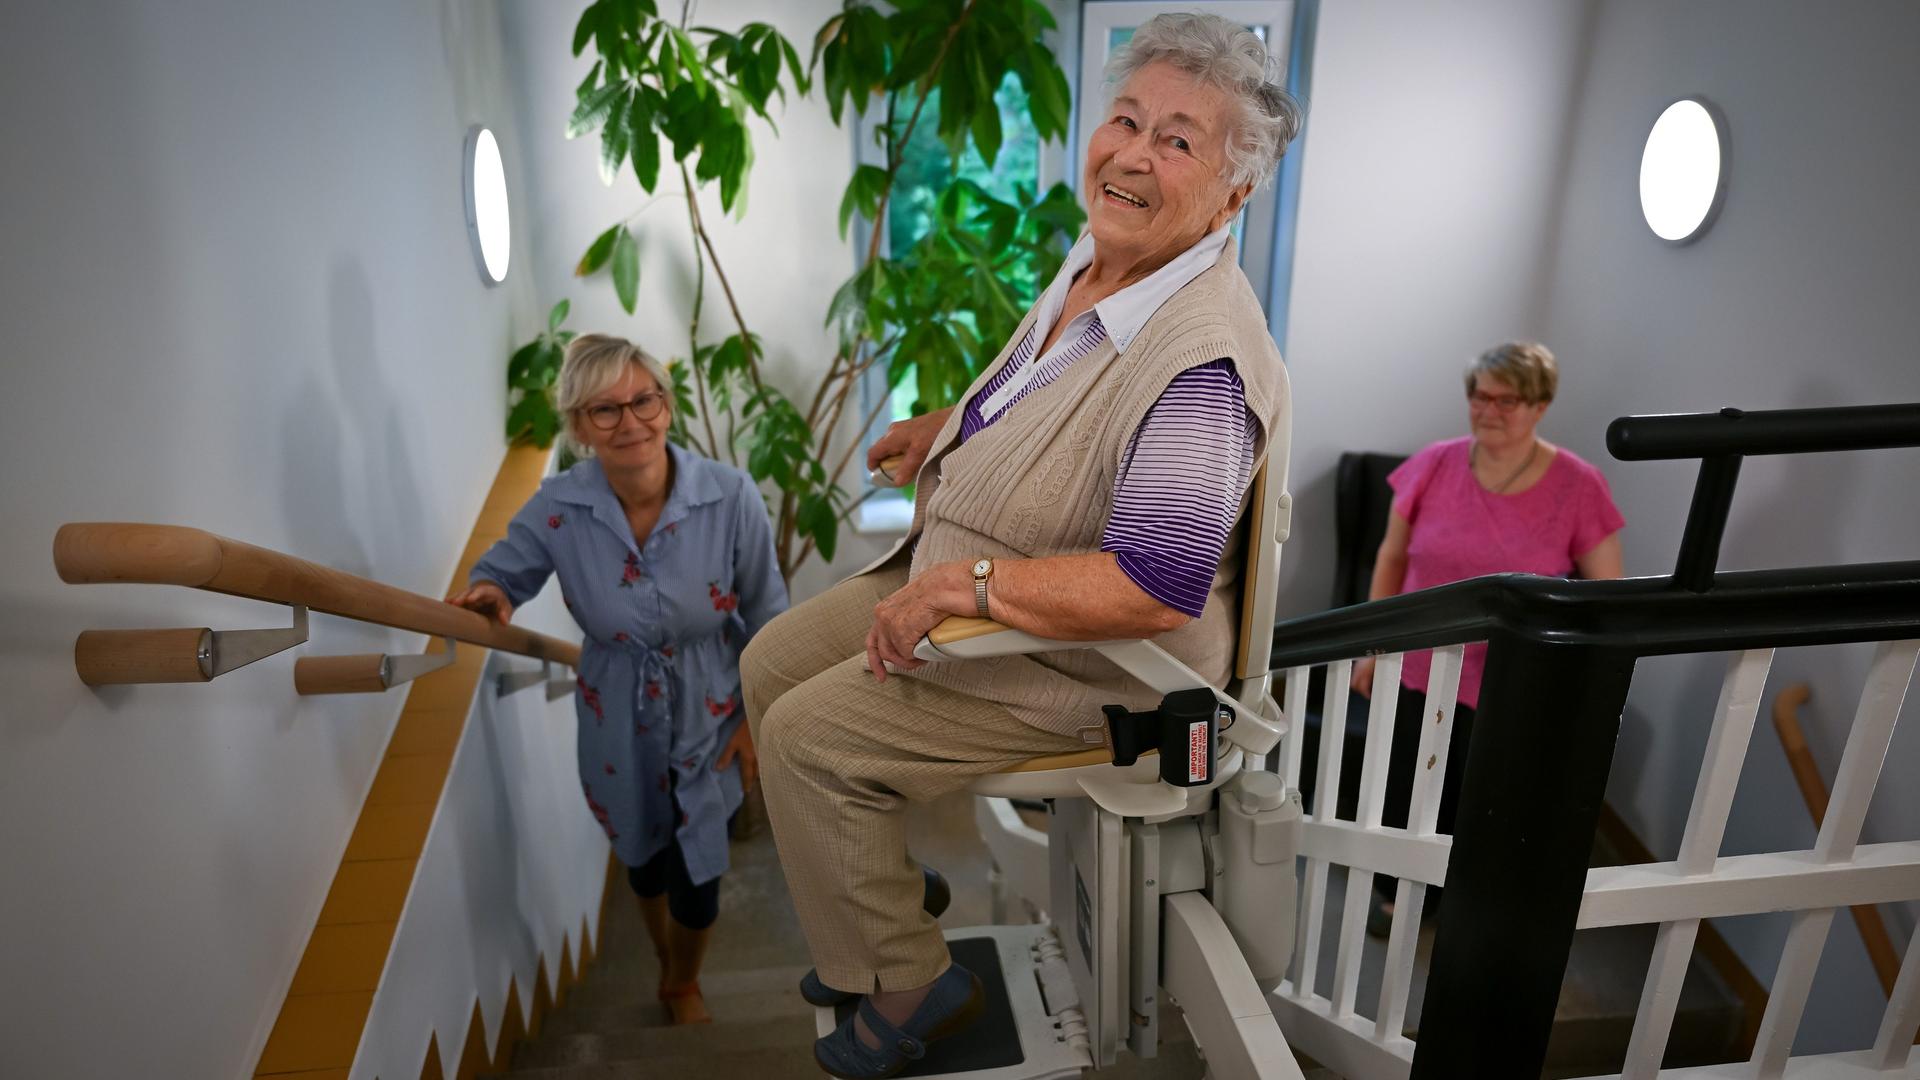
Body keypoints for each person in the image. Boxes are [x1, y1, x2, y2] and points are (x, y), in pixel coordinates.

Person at [741, 14, 1302, 1078]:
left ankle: (908, 974)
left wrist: (968, 581)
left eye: (1179, 142)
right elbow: (1057, 400)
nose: (1134, 153)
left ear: (1233, 195)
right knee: (768, 666)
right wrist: (950, 425)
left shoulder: (1202, 363)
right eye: (1127, 120)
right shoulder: (1105, 259)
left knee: (808, 742)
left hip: (1092, 667)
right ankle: (874, 897)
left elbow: (1152, 586)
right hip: (982, 592)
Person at [449, 334, 787, 1023]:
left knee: (699, 874)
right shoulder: (557, 507)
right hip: (615, 710)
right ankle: (666, 957)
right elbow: (503, 569)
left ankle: (681, 981)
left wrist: (758, 718)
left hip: (711, 706)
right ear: (578, 426)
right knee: (643, 858)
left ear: (666, 405)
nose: (631, 422)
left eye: (644, 400)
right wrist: (491, 592)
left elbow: (771, 616)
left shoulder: (729, 495)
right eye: (605, 411)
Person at [1353, 341, 1624, 933]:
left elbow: (1607, 597)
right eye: (1480, 395)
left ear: (1540, 405)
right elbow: (1392, 555)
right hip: (1419, 663)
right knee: (1404, 784)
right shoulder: (1435, 463)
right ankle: (1400, 896)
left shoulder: (1578, 485)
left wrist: (1574, 682)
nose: (1490, 409)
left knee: (1480, 796)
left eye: (1509, 399)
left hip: (1510, 678)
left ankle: (1467, 900)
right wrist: (1374, 646)